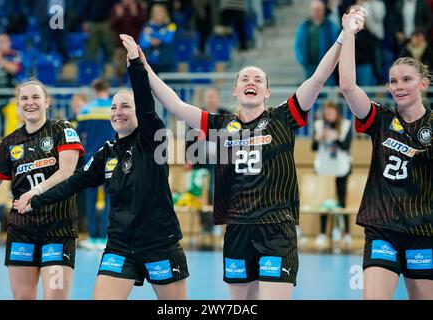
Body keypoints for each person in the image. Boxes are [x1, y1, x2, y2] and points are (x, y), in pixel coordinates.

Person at [119, 7, 365, 300]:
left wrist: (344, 34)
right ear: (235, 91)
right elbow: (174, 104)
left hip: (276, 230)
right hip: (236, 231)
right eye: (245, 79)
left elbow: (319, 76)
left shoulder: (283, 117)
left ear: (267, 92)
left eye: (258, 80)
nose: (251, 82)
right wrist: (144, 67)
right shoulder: (221, 125)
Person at [16, 67, 189, 300]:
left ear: (139, 112)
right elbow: (74, 182)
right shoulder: (106, 153)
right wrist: (36, 198)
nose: (118, 112)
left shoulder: (152, 140)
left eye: (126, 106)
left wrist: (136, 65)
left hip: (159, 243)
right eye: (114, 107)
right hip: (120, 245)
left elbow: (147, 105)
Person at [339, 13, 433, 299]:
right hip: (383, 229)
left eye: (407, 79)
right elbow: (347, 86)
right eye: (393, 81)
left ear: (423, 84)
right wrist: (349, 34)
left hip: (424, 229)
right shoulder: (380, 118)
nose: (399, 86)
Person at [0, 79, 84, 299]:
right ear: (18, 105)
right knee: (22, 297)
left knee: (55, 296)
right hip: (22, 230)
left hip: (58, 229)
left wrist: (34, 191)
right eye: (24, 98)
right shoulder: (9, 143)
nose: (30, 103)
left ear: (47, 102)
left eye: (36, 97)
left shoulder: (62, 129)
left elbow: (67, 171)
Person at [76, 78, 115, 250]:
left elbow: (77, 134)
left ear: (94, 89)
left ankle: (92, 237)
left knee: (91, 199)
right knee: (109, 198)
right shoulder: (114, 109)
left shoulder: (86, 110)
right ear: (108, 89)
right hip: (112, 158)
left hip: (91, 158)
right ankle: (106, 237)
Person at [311, 101, 353, 250]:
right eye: (326, 113)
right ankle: (322, 234)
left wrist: (335, 137)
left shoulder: (346, 125)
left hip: (341, 168)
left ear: (337, 113)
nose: (328, 115)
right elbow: (313, 147)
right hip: (324, 169)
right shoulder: (318, 125)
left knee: (342, 202)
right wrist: (318, 137)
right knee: (325, 203)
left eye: (331, 112)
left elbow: (346, 146)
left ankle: (346, 234)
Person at [295, 0, 340, 85]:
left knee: (327, 93)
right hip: (310, 66)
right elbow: (298, 45)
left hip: (327, 67)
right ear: (310, 11)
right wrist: (303, 60)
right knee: (310, 92)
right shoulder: (304, 26)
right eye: (315, 10)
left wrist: (333, 61)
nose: (317, 12)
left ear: (323, 10)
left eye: (319, 9)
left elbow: (337, 45)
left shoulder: (330, 26)